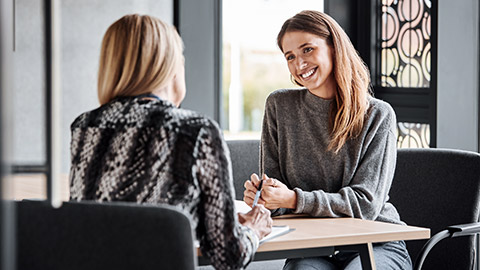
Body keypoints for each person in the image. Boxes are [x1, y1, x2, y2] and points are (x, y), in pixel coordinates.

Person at [69, 14, 272, 270]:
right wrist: (254, 229)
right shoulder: (196, 130)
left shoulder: (85, 126)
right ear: (171, 67)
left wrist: (218, 223)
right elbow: (229, 256)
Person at [243, 10, 412, 270]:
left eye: (307, 50)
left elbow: (365, 205)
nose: (299, 65)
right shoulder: (279, 106)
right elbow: (278, 203)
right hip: (313, 247)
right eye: (290, 56)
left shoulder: (377, 115)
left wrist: (292, 199)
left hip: (376, 243)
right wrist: (266, 197)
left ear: (334, 47)